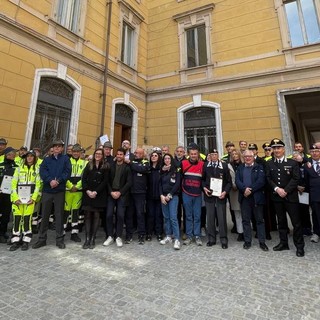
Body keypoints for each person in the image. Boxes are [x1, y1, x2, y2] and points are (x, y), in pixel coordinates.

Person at [265, 138, 305, 257]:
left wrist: (285, 190)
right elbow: (268, 178)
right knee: (281, 222)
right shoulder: (269, 163)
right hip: (277, 197)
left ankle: (299, 246)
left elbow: (296, 178)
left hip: (291, 197)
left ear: (283, 149)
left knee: (296, 223)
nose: (276, 150)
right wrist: (277, 189)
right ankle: (284, 243)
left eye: (279, 148)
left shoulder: (292, 163)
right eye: (274, 148)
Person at [32, 140, 71, 249]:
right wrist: (50, 181)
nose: (57, 148)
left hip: (59, 190)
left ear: (62, 148)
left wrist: (58, 181)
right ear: (52, 148)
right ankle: (42, 239)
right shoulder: (47, 159)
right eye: (55, 146)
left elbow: (67, 172)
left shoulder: (65, 159)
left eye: (60, 146)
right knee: (44, 215)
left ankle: (59, 239)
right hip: (47, 190)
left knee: (59, 215)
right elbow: (43, 172)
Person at [235, 149, 268, 251]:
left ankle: (262, 242)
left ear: (253, 157)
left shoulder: (259, 167)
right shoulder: (240, 168)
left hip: (256, 197)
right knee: (245, 220)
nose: (248, 158)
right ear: (243, 158)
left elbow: (261, 181)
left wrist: (251, 190)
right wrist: (244, 189)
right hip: (244, 198)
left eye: (250, 156)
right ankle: (247, 241)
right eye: (245, 157)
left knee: (259, 220)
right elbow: (237, 180)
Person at [10, 150, 41, 251]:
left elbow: (38, 186)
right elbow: (13, 184)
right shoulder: (18, 169)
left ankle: (25, 241)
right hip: (18, 199)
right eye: (28, 156)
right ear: (25, 157)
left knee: (27, 220)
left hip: (29, 200)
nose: (30, 158)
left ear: (34, 158)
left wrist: (33, 199)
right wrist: (15, 198)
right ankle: (15, 241)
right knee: (17, 220)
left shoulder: (37, 170)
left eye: (32, 156)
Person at [202, 149, 231, 249]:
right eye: (212, 154)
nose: (214, 156)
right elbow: (202, 180)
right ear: (209, 155)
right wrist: (204, 188)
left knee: (221, 217)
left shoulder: (224, 165)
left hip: (220, 196)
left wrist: (225, 192)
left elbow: (229, 182)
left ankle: (223, 239)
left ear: (218, 155)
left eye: (215, 154)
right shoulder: (206, 165)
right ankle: (211, 239)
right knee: (210, 217)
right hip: (209, 195)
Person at [104, 148, 132, 248]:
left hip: (122, 194)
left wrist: (120, 192)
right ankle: (110, 236)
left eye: (121, 154)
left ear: (124, 156)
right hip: (111, 193)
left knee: (120, 215)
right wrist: (111, 192)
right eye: (118, 154)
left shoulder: (127, 167)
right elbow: (106, 181)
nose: (119, 156)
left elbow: (129, 182)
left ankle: (118, 236)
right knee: (109, 215)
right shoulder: (111, 166)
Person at [81, 148, 109, 249]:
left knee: (96, 215)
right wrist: (87, 191)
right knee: (88, 215)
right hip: (88, 193)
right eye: (96, 153)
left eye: (99, 154)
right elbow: (84, 179)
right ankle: (87, 238)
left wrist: (96, 192)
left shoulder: (105, 166)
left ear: (102, 156)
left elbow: (105, 181)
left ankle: (93, 239)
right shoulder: (89, 165)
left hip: (99, 194)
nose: (97, 155)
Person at [181, 143, 204, 246]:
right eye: (192, 154)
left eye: (195, 154)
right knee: (188, 216)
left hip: (198, 194)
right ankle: (189, 236)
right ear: (189, 154)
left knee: (197, 216)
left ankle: (197, 235)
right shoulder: (183, 163)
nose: (193, 155)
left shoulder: (202, 165)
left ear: (198, 154)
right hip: (186, 193)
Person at [64, 143, 87, 242]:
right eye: (74, 151)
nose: (76, 153)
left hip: (78, 191)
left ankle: (74, 233)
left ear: (80, 153)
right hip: (68, 190)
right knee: (65, 212)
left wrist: (77, 187)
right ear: (71, 152)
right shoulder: (66, 161)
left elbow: (84, 177)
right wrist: (70, 186)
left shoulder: (85, 163)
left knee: (75, 212)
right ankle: (62, 233)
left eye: (78, 152)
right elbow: (64, 175)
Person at [159, 153, 181, 250]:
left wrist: (170, 195)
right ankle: (168, 235)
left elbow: (177, 184)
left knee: (173, 217)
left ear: (171, 160)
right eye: (165, 159)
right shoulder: (162, 171)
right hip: (163, 197)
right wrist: (161, 196)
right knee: (166, 217)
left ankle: (176, 238)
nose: (167, 160)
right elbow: (159, 184)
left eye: (168, 158)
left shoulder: (176, 170)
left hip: (173, 196)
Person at [129, 147, 150, 244]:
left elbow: (143, 169)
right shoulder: (132, 162)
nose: (135, 154)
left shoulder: (145, 162)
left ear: (142, 154)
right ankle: (129, 234)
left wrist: (132, 164)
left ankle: (142, 234)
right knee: (129, 214)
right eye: (135, 152)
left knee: (140, 213)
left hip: (140, 193)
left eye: (137, 153)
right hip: (130, 192)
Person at [0, 147, 18, 243]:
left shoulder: (16, 166)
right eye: (12, 154)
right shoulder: (1, 165)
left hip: (9, 195)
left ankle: (3, 232)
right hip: (0, 193)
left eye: (14, 154)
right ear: (7, 155)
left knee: (6, 215)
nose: (14, 155)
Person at [303, 144, 320, 243]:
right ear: (310, 153)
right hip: (314, 194)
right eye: (312, 151)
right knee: (315, 214)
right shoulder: (306, 165)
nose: (315, 153)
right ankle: (317, 233)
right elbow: (305, 181)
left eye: (317, 151)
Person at [146, 150, 163, 241]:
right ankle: (149, 233)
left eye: (155, 155)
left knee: (158, 215)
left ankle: (159, 233)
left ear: (158, 157)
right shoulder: (148, 169)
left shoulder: (161, 169)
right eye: (152, 155)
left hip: (159, 195)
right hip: (150, 195)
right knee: (150, 214)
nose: (153, 157)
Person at [228, 149, 244, 241]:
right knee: (237, 213)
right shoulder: (229, 166)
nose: (234, 155)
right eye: (233, 154)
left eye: (236, 153)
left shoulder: (244, 164)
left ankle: (247, 230)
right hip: (234, 192)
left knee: (245, 212)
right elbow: (228, 178)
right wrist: (233, 185)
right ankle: (240, 232)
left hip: (244, 191)